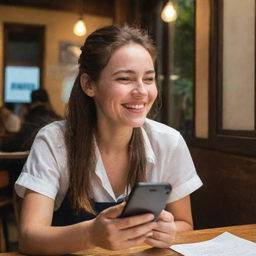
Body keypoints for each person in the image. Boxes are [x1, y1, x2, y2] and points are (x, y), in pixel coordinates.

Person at [15, 25, 203, 255]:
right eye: (125, 78)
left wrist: (167, 231)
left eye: (149, 79)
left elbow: (185, 225)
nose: (142, 92)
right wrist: (91, 234)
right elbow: (28, 237)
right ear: (88, 85)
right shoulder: (55, 141)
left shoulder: (168, 142)